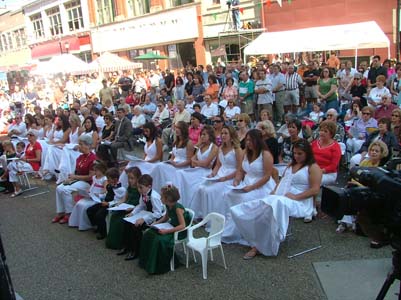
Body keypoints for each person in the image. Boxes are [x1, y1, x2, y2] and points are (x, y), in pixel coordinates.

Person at [231, 140, 322, 258]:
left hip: (301, 201)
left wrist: (296, 196)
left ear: (307, 153)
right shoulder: (290, 165)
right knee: (266, 205)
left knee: (274, 204)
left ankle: (262, 244)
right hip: (284, 197)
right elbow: (282, 181)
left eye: (300, 154)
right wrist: (274, 191)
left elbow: (315, 189)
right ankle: (256, 237)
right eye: (294, 153)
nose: (296, 156)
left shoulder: (313, 167)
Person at [222, 129, 276, 244]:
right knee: (229, 194)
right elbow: (241, 170)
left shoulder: (266, 155)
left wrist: (252, 187)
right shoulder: (245, 153)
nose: (248, 143)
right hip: (246, 183)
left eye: (251, 140)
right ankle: (233, 227)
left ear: (258, 141)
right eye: (247, 140)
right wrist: (236, 181)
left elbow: (267, 176)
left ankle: (247, 230)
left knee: (244, 199)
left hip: (262, 185)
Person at [336, 140, 389, 234]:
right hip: (359, 187)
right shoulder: (365, 162)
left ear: (382, 153)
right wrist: (354, 183)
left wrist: (358, 185)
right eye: (372, 150)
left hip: (372, 192)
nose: (373, 152)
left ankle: (347, 222)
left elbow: (376, 185)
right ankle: (346, 222)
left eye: (376, 151)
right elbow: (356, 176)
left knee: (353, 193)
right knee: (348, 191)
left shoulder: (383, 167)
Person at [189, 126, 242, 218]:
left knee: (209, 190)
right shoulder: (221, 148)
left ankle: (211, 217)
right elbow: (218, 165)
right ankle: (201, 214)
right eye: (222, 133)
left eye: (226, 133)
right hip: (219, 174)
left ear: (231, 135)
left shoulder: (237, 150)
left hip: (230, 177)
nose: (223, 135)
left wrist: (225, 178)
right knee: (201, 187)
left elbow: (239, 169)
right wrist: (213, 174)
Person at [139, 184, 190, 274]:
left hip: (179, 231)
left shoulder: (177, 208)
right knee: (149, 233)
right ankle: (146, 261)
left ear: (167, 199)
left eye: (161, 197)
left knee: (159, 239)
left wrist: (166, 231)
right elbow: (166, 217)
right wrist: (156, 223)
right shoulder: (168, 205)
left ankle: (159, 265)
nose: (160, 198)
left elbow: (182, 225)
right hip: (171, 226)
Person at [51, 135, 97, 225]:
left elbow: (90, 177)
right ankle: (61, 212)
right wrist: (70, 179)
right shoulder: (80, 157)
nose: (79, 146)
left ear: (88, 146)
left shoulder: (93, 159)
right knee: (59, 188)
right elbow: (76, 172)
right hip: (79, 180)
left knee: (66, 189)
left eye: (81, 144)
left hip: (88, 183)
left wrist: (75, 177)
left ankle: (69, 213)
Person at [118, 174, 163, 260]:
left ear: (149, 186)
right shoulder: (144, 193)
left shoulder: (154, 196)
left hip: (155, 218)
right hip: (147, 214)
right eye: (138, 187)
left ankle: (136, 251)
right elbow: (141, 205)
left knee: (136, 227)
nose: (139, 190)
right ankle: (126, 246)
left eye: (141, 187)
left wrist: (143, 219)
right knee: (126, 222)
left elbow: (158, 213)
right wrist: (133, 213)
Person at [176, 125, 219, 208]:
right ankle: (181, 201)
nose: (202, 137)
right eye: (201, 134)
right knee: (180, 173)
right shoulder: (200, 146)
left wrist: (197, 162)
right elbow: (192, 162)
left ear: (210, 136)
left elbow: (206, 164)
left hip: (205, 172)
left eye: (204, 134)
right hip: (197, 170)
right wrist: (200, 163)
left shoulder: (214, 147)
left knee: (195, 185)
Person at [150, 121, 194, 193]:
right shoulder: (176, 141)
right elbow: (172, 157)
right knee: (159, 166)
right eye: (176, 127)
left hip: (183, 166)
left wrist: (177, 165)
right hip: (174, 163)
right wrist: (169, 162)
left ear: (183, 130)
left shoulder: (189, 143)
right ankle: (155, 188)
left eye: (178, 128)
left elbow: (189, 161)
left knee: (161, 167)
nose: (176, 130)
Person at [311, 120, 342, 221]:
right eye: (321, 130)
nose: (321, 133)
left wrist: (319, 171)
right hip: (313, 170)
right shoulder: (315, 143)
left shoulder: (336, 147)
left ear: (331, 133)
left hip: (328, 173)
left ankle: (312, 207)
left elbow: (333, 166)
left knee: (314, 181)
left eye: (325, 131)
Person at [106, 167, 142, 249]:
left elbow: (141, 204)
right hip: (126, 206)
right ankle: (112, 242)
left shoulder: (139, 189)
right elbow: (125, 198)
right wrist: (119, 204)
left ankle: (121, 244)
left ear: (137, 178)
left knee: (120, 221)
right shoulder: (129, 187)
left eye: (132, 178)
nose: (130, 180)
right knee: (114, 216)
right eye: (129, 178)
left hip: (134, 209)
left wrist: (132, 208)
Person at [87, 168, 126, 240]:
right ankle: (96, 225)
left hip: (110, 205)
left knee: (99, 215)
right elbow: (107, 193)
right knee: (90, 210)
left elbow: (118, 200)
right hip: (104, 202)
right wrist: (99, 196)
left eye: (109, 178)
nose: (107, 180)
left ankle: (103, 232)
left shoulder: (120, 189)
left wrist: (108, 203)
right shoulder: (110, 185)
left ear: (115, 179)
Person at [120, 122, 163, 188]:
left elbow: (158, 156)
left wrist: (147, 162)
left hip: (154, 163)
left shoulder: (158, 141)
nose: (145, 133)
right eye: (144, 131)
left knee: (136, 166)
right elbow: (146, 154)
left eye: (147, 131)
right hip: (146, 162)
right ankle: (124, 185)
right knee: (131, 163)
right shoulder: (147, 140)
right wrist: (142, 160)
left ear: (152, 130)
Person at [68, 163, 107, 231]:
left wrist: (97, 194)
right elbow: (93, 185)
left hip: (97, 197)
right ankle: (76, 222)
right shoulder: (94, 177)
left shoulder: (104, 179)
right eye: (95, 170)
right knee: (79, 204)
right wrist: (88, 191)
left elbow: (105, 190)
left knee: (84, 206)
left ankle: (86, 225)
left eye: (97, 171)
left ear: (101, 170)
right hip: (91, 195)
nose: (95, 172)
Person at [6, 129, 42, 198]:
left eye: (31, 135)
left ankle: (5, 177)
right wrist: (20, 157)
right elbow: (25, 155)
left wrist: (27, 160)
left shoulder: (37, 145)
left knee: (11, 165)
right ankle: (17, 189)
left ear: (35, 136)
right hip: (25, 163)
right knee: (11, 172)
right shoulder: (28, 145)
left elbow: (38, 159)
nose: (28, 136)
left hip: (32, 165)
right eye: (28, 135)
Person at [41, 115, 71, 180]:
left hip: (61, 145)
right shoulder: (56, 128)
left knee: (51, 149)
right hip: (54, 144)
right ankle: (49, 169)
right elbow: (52, 137)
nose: (58, 121)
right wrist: (50, 141)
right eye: (58, 120)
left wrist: (54, 143)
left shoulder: (67, 129)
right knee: (46, 147)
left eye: (60, 120)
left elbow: (64, 140)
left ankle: (48, 169)